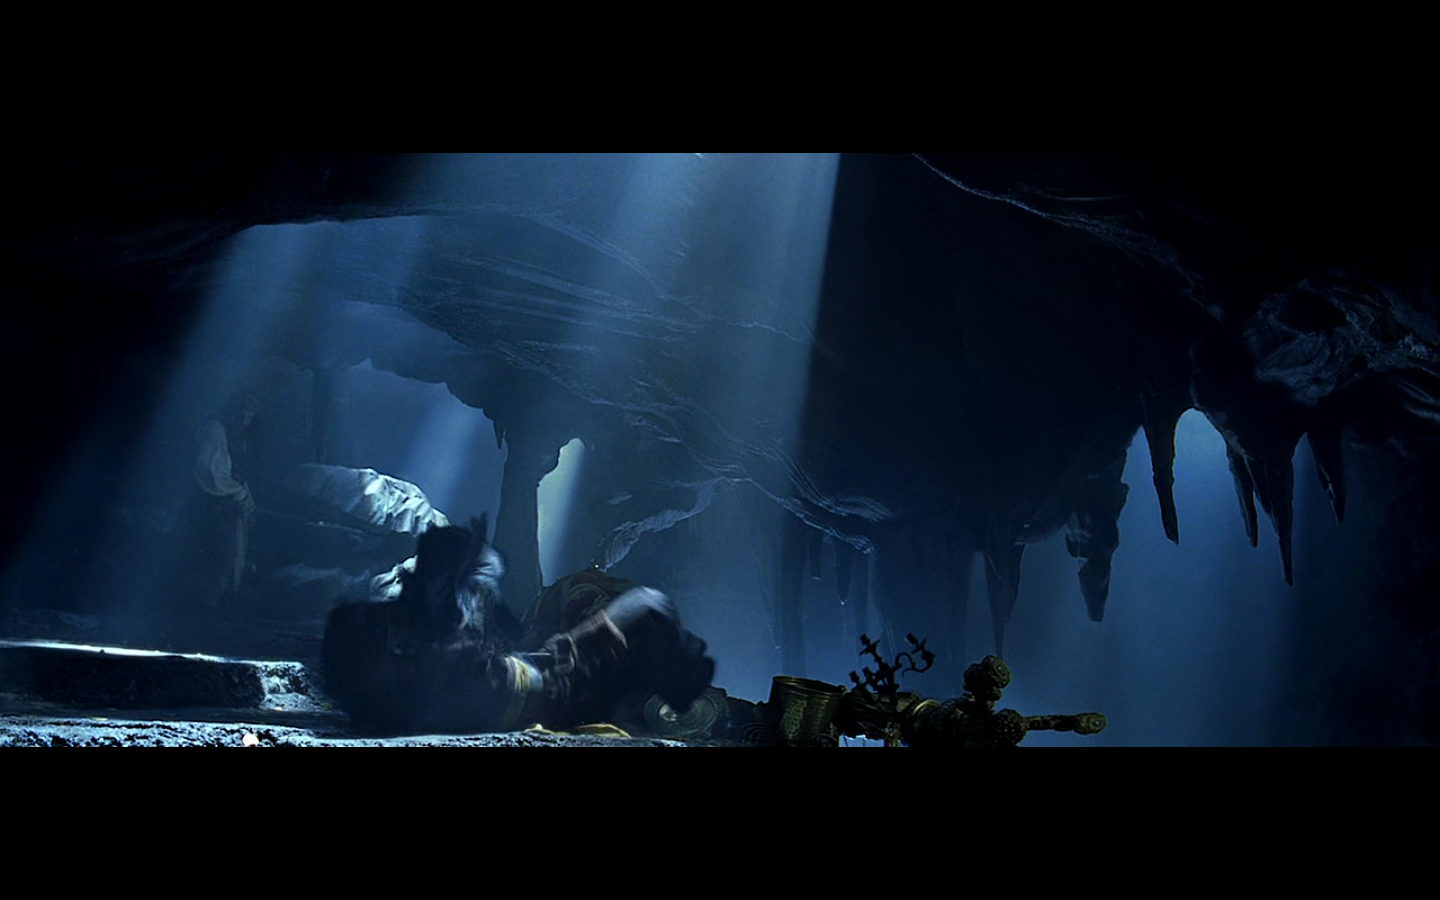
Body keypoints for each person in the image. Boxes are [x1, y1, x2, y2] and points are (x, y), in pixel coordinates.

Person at [322, 516, 716, 735]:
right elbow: (546, 681)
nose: (489, 601)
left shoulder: (388, 632)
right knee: (646, 605)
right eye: (482, 588)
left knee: (643, 608)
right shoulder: (445, 660)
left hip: (533, 676)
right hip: (551, 690)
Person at [193, 393, 259, 608]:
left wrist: (247, 500)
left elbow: (239, 473)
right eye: (244, 414)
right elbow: (210, 470)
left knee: (231, 557)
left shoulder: (239, 438)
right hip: (214, 505)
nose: (246, 421)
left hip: (230, 506)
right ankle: (201, 607)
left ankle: (218, 603)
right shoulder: (216, 429)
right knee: (217, 557)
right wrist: (238, 493)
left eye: (250, 416)